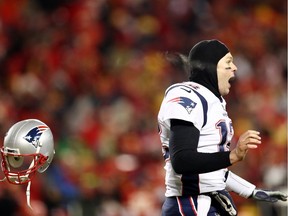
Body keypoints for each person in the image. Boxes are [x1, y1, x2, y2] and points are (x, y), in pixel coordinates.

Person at [157, 39, 287, 216]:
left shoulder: (214, 102)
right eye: (228, 62)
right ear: (210, 67)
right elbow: (182, 160)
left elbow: (210, 173)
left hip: (203, 203)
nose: (234, 68)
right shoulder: (186, 94)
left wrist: (252, 191)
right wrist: (232, 155)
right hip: (190, 205)